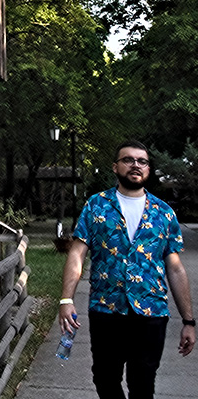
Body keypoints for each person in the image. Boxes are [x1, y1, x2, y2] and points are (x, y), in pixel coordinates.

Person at [58, 140, 196, 399]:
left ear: (148, 169)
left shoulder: (164, 213)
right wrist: (66, 299)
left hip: (151, 311)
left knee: (142, 382)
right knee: (104, 378)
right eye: (128, 160)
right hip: (106, 309)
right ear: (115, 167)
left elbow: (175, 269)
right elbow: (77, 253)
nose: (136, 165)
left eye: (142, 161)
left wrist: (188, 320)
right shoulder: (96, 205)